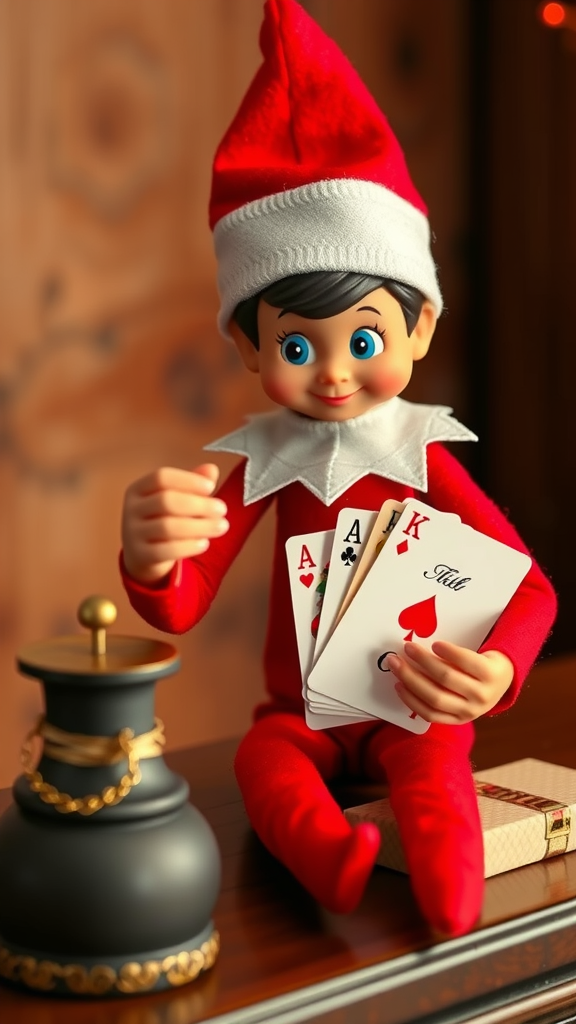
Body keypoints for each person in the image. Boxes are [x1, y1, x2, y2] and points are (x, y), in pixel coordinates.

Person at [120, 0, 557, 936]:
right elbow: (183, 601)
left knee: (438, 765)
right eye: (297, 346)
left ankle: (450, 912)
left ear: (421, 327)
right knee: (262, 764)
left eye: (364, 337)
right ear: (249, 348)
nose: (334, 372)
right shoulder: (254, 464)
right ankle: (332, 861)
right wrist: (153, 557)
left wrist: (495, 670)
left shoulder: (421, 454)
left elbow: (531, 592)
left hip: (413, 703)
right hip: (300, 714)